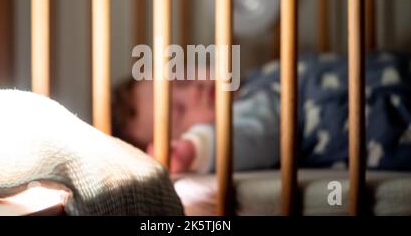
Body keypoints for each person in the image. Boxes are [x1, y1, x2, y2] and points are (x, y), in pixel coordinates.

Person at [112, 51, 411, 174]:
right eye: (179, 111)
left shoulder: (257, 77)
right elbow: (250, 137)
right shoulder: (245, 117)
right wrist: (193, 150)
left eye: (182, 80)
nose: (194, 91)